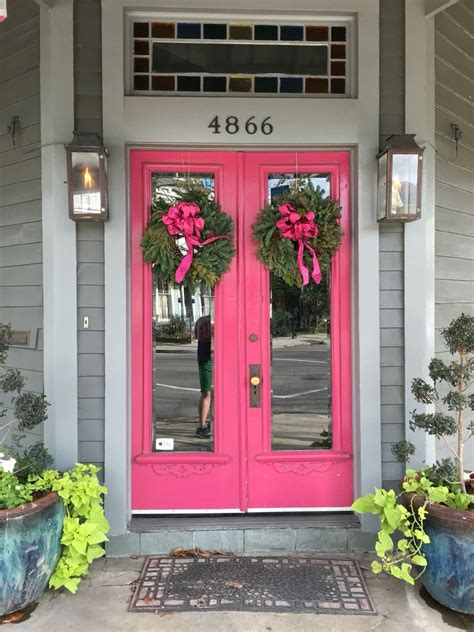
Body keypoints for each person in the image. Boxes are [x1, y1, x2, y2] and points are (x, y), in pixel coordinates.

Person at [194, 314, 212, 438]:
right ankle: (202, 426)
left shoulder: (201, 321)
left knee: (206, 393)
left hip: (204, 359)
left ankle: (202, 426)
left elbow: (196, 335)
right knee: (207, 394)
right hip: (210, 360)